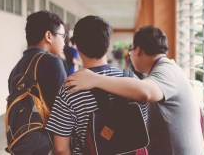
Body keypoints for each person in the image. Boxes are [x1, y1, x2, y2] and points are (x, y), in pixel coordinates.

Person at [64, 26, 204, 155]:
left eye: (130, 49)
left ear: (137, 50)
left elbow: (145, 92)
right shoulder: (167, 69)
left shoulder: (167, 71)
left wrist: (95, 79)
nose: (130, 55)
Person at [45, 15, 148, 155]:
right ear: (108, 44)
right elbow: (143, 123)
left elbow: (61, 148)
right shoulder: (131, 81)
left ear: (77, 46)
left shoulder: (70, 88)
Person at [8, 11, 67, 154]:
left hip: (21, 143)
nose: (65, 41)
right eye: (63, 36)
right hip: (45, 145)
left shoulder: (16, 69)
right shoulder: (52, 62)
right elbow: (64, 112)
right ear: (48, 36)